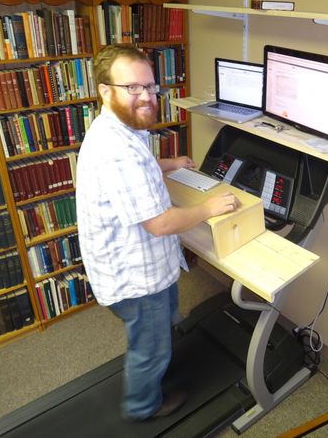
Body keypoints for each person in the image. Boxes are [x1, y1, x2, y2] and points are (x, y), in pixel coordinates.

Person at [76, 44, 239, 421]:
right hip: (135, 277)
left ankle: (161, 352)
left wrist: (168, 163)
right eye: (133, 87)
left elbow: (142, 163)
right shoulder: (117, 151)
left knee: (158, 328)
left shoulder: (118, 126)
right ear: (106, 90)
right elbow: (161, 223)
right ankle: (142, 406)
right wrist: (209, 208)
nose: (146, 96)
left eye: (150, 87)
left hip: (135, 264)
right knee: (148, 350)